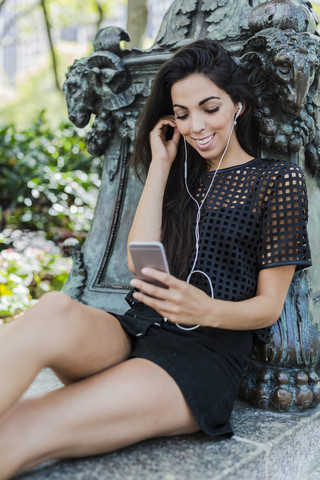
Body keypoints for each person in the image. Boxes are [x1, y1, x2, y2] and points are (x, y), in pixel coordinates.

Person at [0, 39, 311, 479]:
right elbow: (138, 260)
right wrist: (162, 164)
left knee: (21, 425)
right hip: (138, 330)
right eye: (182, 114)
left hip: (201, 356)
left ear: (237, 105)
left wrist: (205, 309)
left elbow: (269, 307)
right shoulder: (180, 172)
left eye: (209, 108)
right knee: (52, 309)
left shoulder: (276, 180)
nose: (196, 126)